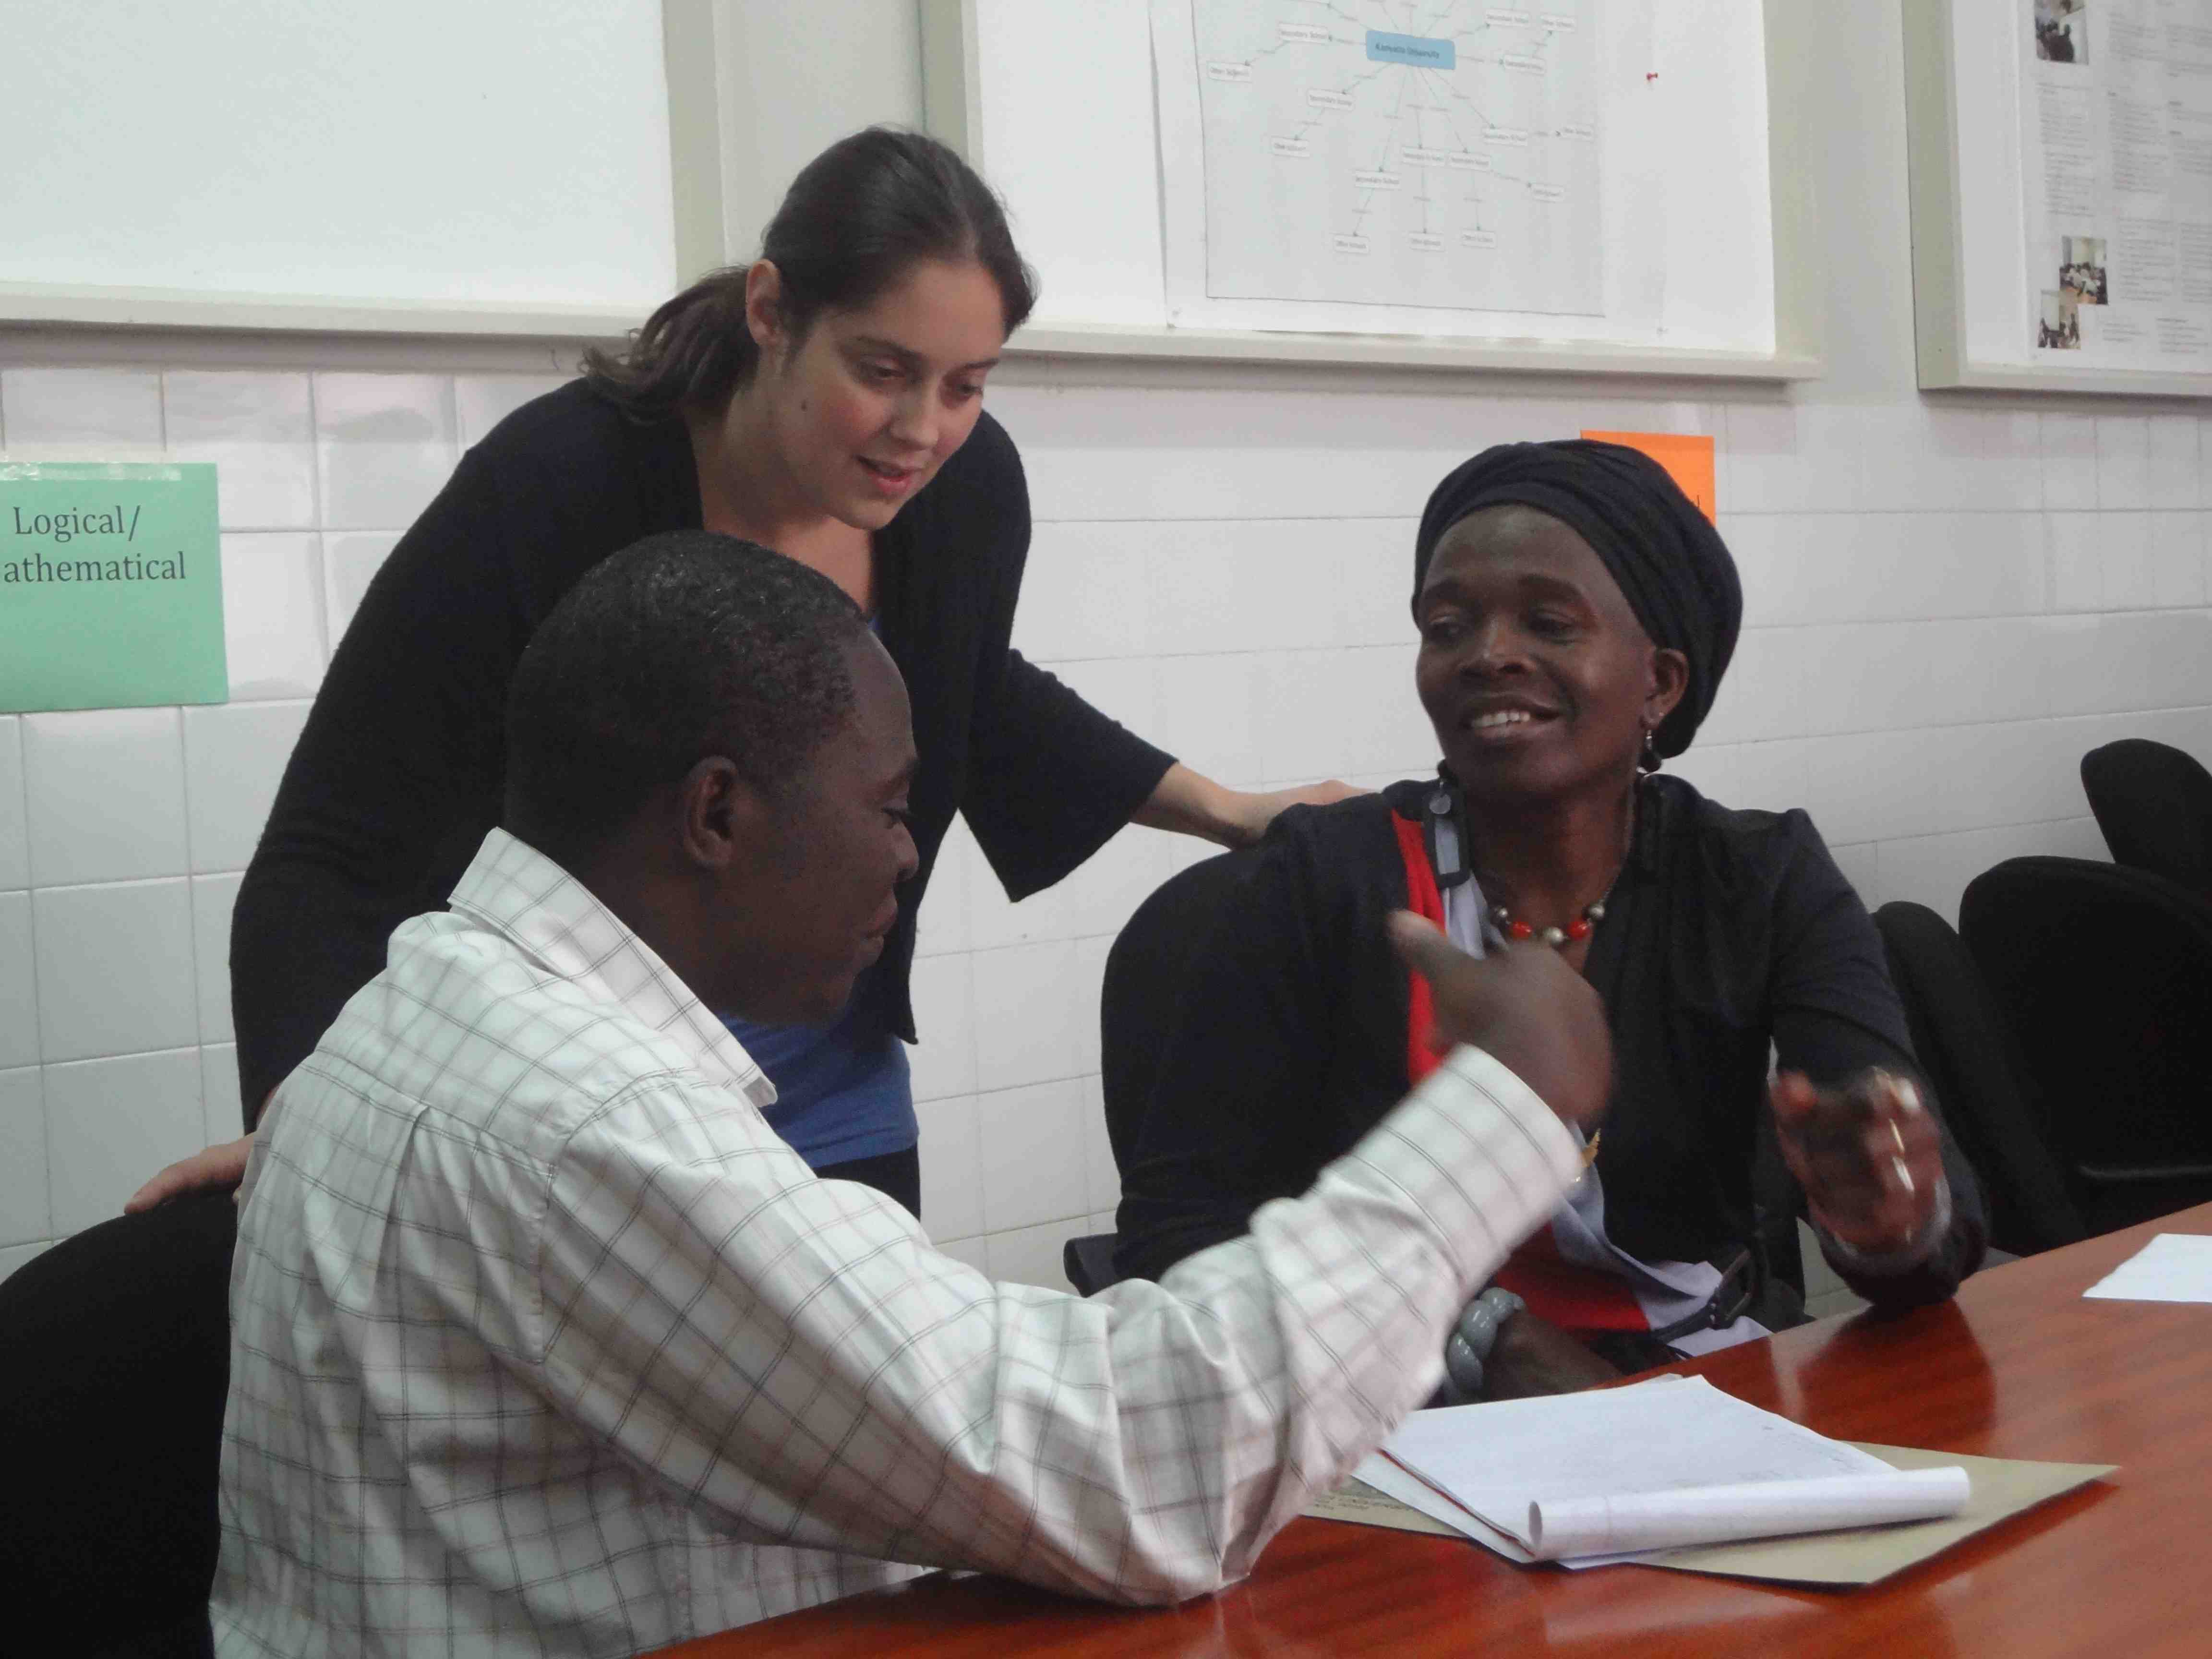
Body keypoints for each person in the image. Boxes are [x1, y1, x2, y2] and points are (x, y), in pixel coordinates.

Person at [213, 534, 1610, 1654]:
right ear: (716, 813)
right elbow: (1143, 1472)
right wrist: (1503, 1108)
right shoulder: (582, 1125)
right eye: (887, 806)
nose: (906, 858)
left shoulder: (430, 1004)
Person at [129, 127, 1347, 1223]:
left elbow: (970, 689)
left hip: (828, 1084)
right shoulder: (558, 483)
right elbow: (334, 846)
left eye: (967, 385)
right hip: (557, 1097)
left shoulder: (964, 494)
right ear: (772, 311)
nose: (923, 429)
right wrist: (304, 1113)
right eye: (882, 371)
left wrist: (1227, 811)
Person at [1114, 440, 1986, 1396]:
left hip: (1697, 1389)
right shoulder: (1321, 878)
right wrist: (1486, 1340)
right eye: (1448, 627)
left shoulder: (1760, 878)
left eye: (1549, 623)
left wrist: (1890, 1225)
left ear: (1660, 683)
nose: (1489, 655)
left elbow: (1923, 1225)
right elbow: (1176, 1238)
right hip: (1383, 1407)